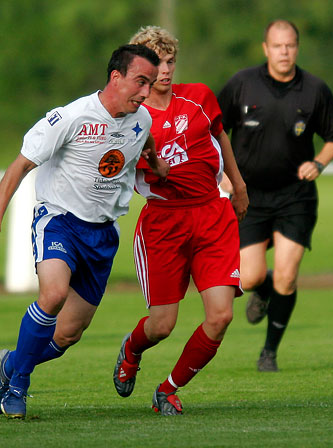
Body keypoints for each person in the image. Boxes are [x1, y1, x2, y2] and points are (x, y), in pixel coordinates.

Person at [0, 44, 168, 419]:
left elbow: (146, 143)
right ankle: (19, 384)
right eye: (141, 82)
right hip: (59, 219)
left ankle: (10, 365)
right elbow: (19, 166)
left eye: (150, 84)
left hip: (103, 234)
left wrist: (156, 162)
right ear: (116, 77)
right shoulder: (70, 118)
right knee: (53, 294)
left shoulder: (143, 121)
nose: (145, 92)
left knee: (68, 334)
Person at [112, 26, 248, 416]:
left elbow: (221, 137)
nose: (165, 70)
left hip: (212, 214)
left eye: (170, 61)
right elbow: (139, 171)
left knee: (221, 316)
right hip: (165, 223)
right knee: (162, 325)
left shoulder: (201, 97)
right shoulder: (131, 120)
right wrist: (157, 165)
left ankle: (168, 389)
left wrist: (238, 186)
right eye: (157, 63)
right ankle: (132, 349)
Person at [217, 20, 333, 372]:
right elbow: (212, 130)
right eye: (277, 46)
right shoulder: (242, 85)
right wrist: (224, 175)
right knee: (248, 278)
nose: (284, 52)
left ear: (297, 48)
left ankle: (269, 353)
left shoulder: (315, 90)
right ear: (265, 49)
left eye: (290, 45)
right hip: (249, 197)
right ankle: (262, 290)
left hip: (295, 196)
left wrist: (318, 163)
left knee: (287, 277)